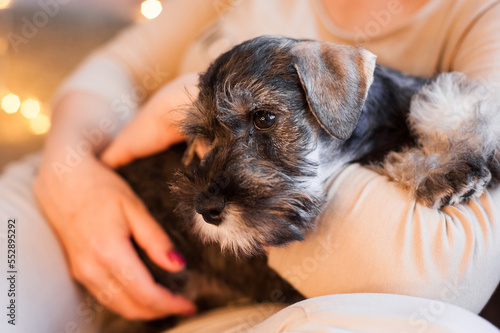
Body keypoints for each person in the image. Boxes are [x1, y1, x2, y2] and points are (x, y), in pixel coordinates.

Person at [1, 0, 500, 332]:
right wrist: (69, 171)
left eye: (264, 118)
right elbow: (119, 68)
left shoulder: (481, 15)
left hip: (255, 294)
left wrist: (185, 104)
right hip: (70, 192)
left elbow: (444, 273)